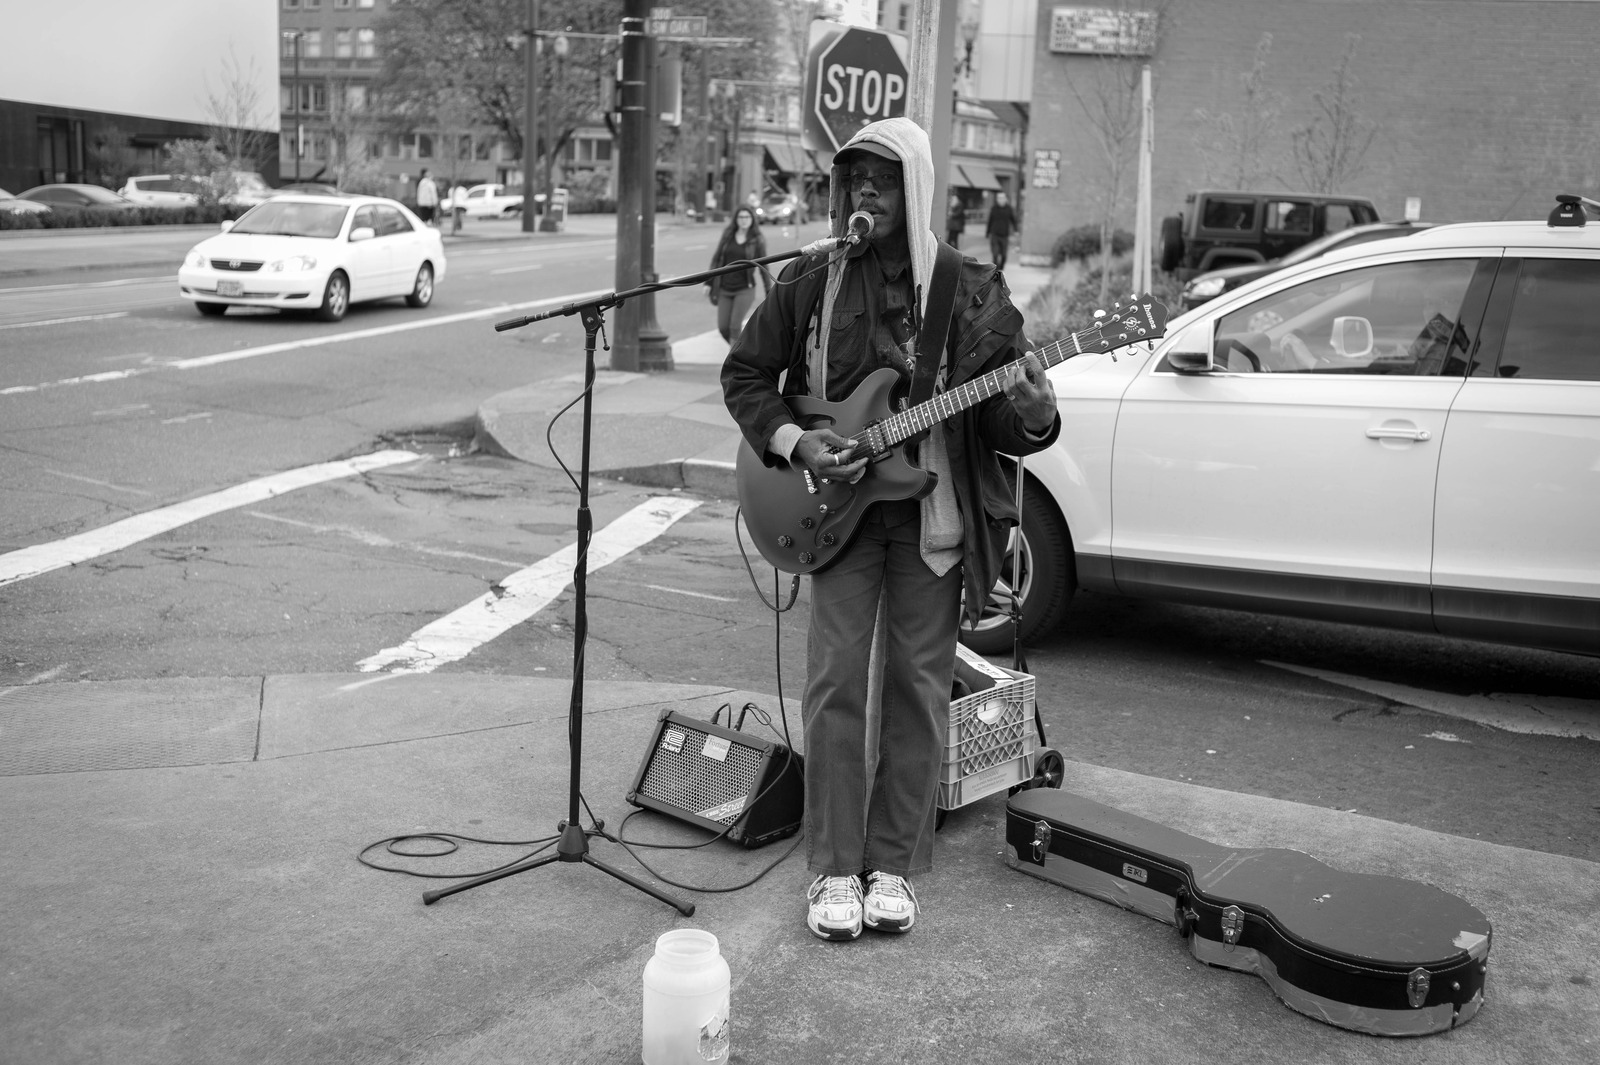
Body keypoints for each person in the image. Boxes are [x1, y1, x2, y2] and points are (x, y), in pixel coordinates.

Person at [722, 117, 1060, 942]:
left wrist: (1036, 411)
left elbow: (1008, 427)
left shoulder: (970, 287)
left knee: (917, 687)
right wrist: (798, 439)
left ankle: (892, 866)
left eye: (879, 181)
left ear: (913, 189)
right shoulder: (813, 274)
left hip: (931, 513)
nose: (863, 196)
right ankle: (833, 867)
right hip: (834, 512)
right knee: (837, 682)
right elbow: (745, 371)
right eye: (853, 182)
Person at [706, 205, 769, 345]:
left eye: (747, 217)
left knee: (734, 327)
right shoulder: (728, 235)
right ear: (736, 219)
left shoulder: (756, 239)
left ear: (752, 219)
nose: (744, 220)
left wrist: (769, 291)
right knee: (723, 328)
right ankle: (742, 353)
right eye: (740, 217)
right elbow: (717, 258)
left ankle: (734, 364)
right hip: (724, 288)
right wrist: (708, 282)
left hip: (745, 289)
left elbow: (763, 265)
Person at [985, 191, 1017, 270]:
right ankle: (996, 270)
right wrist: (987, 232)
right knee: (995, 254)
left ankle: (1001, 268)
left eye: (1002, 198)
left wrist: (1016, 230)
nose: (1000, 200)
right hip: (995, 234)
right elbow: (990, 220)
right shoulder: (994, 208)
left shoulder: (1009, 209)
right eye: (999, 198)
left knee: (1004, 255)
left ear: (1006, 199)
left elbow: (1013, 220)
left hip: (1004, 235)